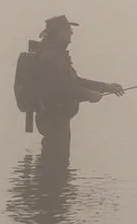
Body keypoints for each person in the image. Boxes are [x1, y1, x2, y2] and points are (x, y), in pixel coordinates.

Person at [19, 14, 121, 164]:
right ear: (58, 32)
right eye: (68, 29)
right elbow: (63, 88)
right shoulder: (51, 58)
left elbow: (75, 81)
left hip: (56, 117)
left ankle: (50, 186)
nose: (71, 33)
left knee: (55, 161)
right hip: (53, 117)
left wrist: (105, 87)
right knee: (56, 162)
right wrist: (89, 95)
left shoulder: (56, 55)